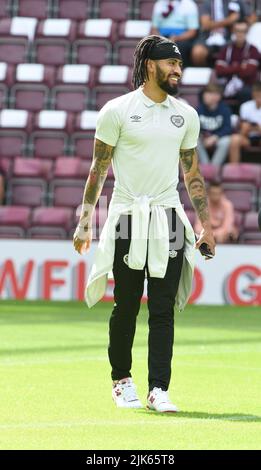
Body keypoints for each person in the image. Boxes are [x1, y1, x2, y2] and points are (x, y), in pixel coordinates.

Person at [73, 35, 215, 413]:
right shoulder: (117, 111)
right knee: (126, 304)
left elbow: (193, 175)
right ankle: (122, 381)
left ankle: (159, 389)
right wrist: (85, 222)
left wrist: (207, 225)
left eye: (180, 65)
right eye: (172, 64)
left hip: (169, 215)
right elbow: (97, 169)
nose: (178, 70)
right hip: (126, 217)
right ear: (151, 65)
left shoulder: (185, 115)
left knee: (163, 307)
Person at [191, 0, 255, 66]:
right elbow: (205, 25)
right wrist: (229, 20)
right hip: (208, 37)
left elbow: (252, 18)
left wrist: (242, 23)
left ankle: (232, 72)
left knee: (237, 49)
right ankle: (206, 73)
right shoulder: (207, 2)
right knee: (197, 52)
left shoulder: (236, 1)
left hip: (230, 37)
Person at [215, 21, 260, 107]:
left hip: (247, 85)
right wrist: (240, 67)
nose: (240, 34)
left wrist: (229, 68)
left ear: (247, 32)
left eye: (243, 31)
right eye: (238, 31)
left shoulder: (253, 50)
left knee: (245, 92)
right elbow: (219, 71)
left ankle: (243, 119)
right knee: (206, 92)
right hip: (227, 83)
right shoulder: (226, 48)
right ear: (233, 32)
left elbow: (249, 72)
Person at [150, 0, 199, 67]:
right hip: (162, 37)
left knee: (177, 48)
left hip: (181, 38)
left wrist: (176, 38)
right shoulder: (159, 4)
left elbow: (192, 31)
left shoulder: (189, 4)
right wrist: (161, 39)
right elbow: (154, 29)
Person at [197, 83, 232, 165]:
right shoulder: (199, 109)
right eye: (205, 93)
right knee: (194, 141)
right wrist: (202, 137)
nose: (205, 96)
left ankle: (214, 167)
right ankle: (205, 166)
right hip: (204, 138)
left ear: (217, 96)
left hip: (218, 137)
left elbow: (228, 128)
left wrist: (215, 137)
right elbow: (195, 128)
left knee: (226, 141)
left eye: (208, 94)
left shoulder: (225, 109)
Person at [229, 81, 261, 162]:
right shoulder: (245, 106)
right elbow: (243, 127)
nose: (259, 97)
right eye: (257, 94)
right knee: (234, 139)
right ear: (253, 94)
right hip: (248, 137)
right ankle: (233, 171)